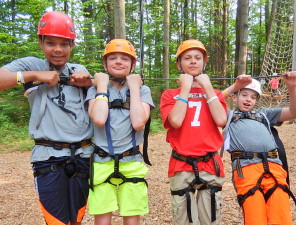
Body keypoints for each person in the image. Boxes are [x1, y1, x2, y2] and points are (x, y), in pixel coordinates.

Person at [0, 11, 94, 225]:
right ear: (41, 42)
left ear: (72, 45)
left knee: (77, 218)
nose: (58, 49)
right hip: (48, 158)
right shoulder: (30, 65)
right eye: (51, 43)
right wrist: (33, 76)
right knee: (56, 221)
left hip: (82, 155)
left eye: (64, 44)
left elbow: (96, 103)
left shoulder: (78, 69)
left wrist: (88, 82)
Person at [86, 39, 155, 225]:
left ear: (132, 65)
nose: (118, 61)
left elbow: (139, 122)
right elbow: (99, 118)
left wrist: (134, 87)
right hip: (101, 162)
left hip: (131, 160)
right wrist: (101, 86)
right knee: (102, 216)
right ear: (105, 63)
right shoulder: (94, 88)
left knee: (132, 217)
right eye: (113, 58)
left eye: (125, 58)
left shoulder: (142, 89)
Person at [159, 39, 227, 225]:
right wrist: (185, 88)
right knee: (184, 220)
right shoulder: (170, 94)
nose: (193, 61)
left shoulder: (215, 93)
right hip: (181, 163)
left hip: (210, 163)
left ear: (204, 62)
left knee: (211, 219)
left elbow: (221, 120)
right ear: (179, 64)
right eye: (187, 58)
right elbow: (176, 121)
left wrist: (207, 87)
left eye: (198, 57)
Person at [222, 73, 296, 225]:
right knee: (255, 217)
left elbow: (295, 112)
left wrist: (292, 88)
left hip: (274, 166)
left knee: (282, 216)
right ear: (234, 97)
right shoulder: (226, 116)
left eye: (253, 97)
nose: (248, 99)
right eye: (244, 94)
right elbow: (209, 103)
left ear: (256, 101)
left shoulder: (264, 114)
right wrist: (233, 87)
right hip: (246, 168)